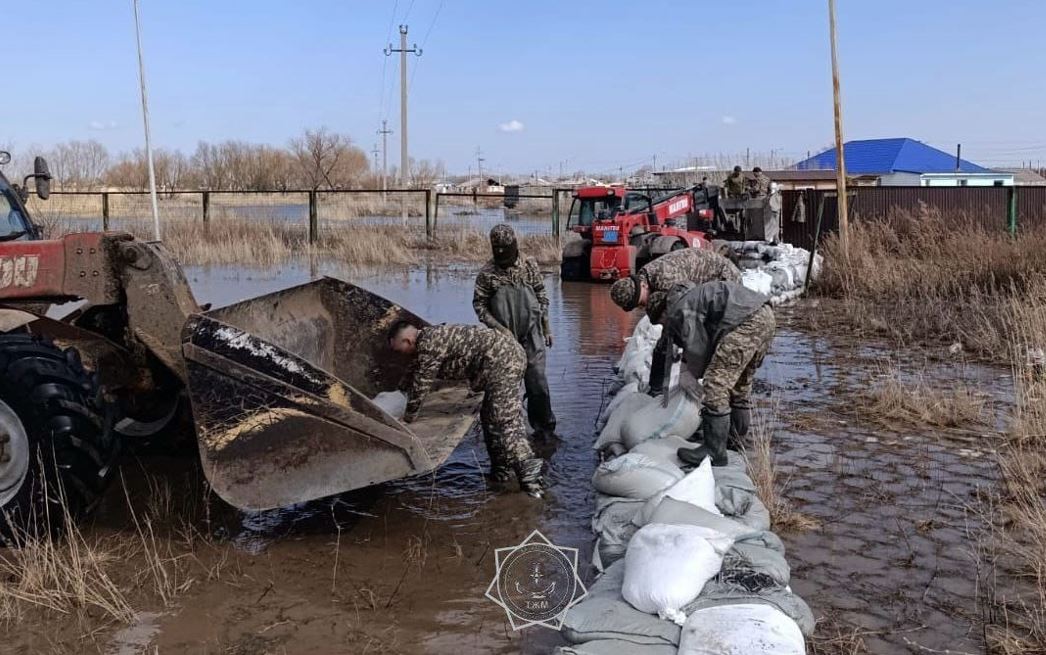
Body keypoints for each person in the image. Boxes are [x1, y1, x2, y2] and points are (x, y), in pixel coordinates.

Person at [389, 321, 546, 497]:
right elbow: (414, 370)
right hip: (499, 361)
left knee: (504, 422)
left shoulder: (429, 344)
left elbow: (421, 383)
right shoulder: (427, 339)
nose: (399, 355)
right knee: (489, 421)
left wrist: (408, 418)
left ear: (408, 341)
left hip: (504, 362)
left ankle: (532, 482)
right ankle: (500, 473)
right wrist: (399, 390)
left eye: (398, 350)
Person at [657, 281, 776, 467]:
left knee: (715, 383)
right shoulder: (697, 297)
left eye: (660, 321)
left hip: (747, 322)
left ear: (664, 311)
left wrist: (690, 372)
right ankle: (734, 442)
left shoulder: (682, 308)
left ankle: (714, 451)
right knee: (739, 385)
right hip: (766, 317)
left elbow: (698, 349)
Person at [609, 247, 741, 396]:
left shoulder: (666, 279)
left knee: (716, 339)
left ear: (643, 286)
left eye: (641, 302)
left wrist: (685, 368)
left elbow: (686, 323)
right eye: (638, 306)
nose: (642, 307)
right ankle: (658, 388)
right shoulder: (647, 278)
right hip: (705, 285)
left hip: (724, 280)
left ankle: (720, 391)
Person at [473, 224, 556, 439]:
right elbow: (479, 307)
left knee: (537, 381)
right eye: (497, 250)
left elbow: (542, 296)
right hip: (504, 338)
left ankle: (544, 429)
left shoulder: (529, 265)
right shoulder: (487, 274)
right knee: (505, 385)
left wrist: (546, 327)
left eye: (506, 250)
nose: (502, 254)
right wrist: (499, 329)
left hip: (532, 333)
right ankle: (506, 433)